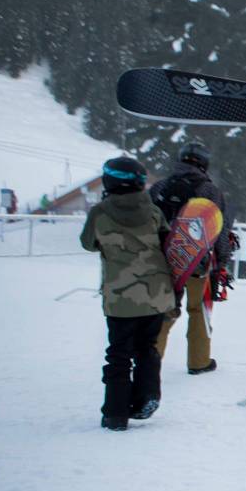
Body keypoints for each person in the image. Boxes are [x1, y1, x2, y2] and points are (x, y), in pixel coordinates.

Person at [79, 156, 175, 431]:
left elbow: (88, 243)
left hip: (121, 297)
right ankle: (146, 396)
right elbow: (167, 241)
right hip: (156, 293)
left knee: (119, 354)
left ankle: (115, 413)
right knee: (147, 348)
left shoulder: (100, 212)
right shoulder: (153, 210)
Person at [150, 141, 231, 374]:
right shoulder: (210, 191)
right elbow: (220, 229)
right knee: (198, 309)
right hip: (198, 263)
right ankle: (198, 361)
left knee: (165, 310)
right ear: (204, 163)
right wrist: (221, 264)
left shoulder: (160, 187)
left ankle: (152, 359)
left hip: (163, 260)